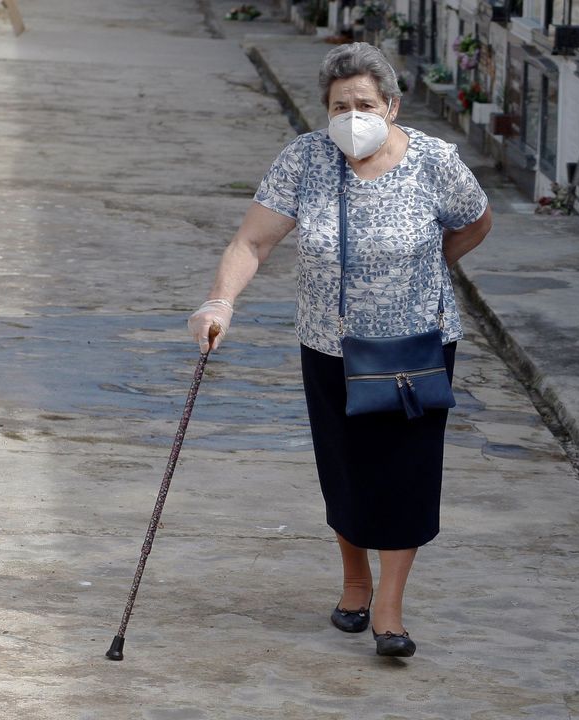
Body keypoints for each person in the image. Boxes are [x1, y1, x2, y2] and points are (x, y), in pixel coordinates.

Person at [188, 42, 492, 658]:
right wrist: (219, 303)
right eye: (339, 105)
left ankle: (389, 607)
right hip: (331, 345)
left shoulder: (435, 161)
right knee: (345, 467)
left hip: (416, 346)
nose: (353, 115)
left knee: (406, 472)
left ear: (392, 105)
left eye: (364, 103)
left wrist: (426, 270)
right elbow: (252, 243)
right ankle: (355, 580)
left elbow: (477, 221)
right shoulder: (306, 160)